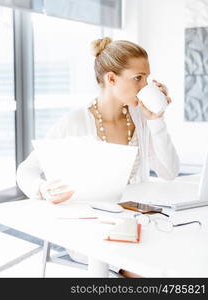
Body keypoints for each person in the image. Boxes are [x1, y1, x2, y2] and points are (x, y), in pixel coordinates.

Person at [16, 37, 180, 277]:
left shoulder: (141, 118)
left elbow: (170, 171)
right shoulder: (74, 122)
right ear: (111, 79)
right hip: (91, 232)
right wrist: (42, 188)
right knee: (151, 272)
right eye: (138, 78)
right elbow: (26, 170)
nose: (145, 86)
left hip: (137, 224)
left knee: (180, 259)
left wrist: (157, 120)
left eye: (146, 78)